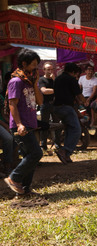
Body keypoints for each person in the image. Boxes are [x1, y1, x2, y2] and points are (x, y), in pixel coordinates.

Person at [3, 48, 43, 196]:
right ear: (24, 64)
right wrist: (19, 124)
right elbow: (12, 104)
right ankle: (14, 178)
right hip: (21, 126)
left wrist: (36, 83)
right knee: (36, 153)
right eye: (33, 64)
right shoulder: (15, 81)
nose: (36, 68)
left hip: (30, 124)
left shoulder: (30, 82)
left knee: (30, 158)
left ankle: (24, 190)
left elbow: (39, 101)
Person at [53, 62, 86, 164]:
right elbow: (79, 96)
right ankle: (65, 150)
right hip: (66, 107)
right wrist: (85, 102)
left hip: (56, 107)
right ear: (73, 72)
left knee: (69, 129)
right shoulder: (71, 79)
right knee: (76, 130)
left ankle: (66, 155)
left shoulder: (58, 78)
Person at [38, 62, 59, 154]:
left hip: (55, 104)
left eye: (51, 69)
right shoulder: (41, 80)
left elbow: (61, 89)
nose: (50, 71)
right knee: (44, 125)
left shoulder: (55, 80)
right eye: (48, 69)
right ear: (44, 70)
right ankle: (43, 144)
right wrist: (56, 90)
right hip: (45, 104)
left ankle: (57, 143)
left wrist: (55, 81)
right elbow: (44, 91)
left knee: (57, 124)